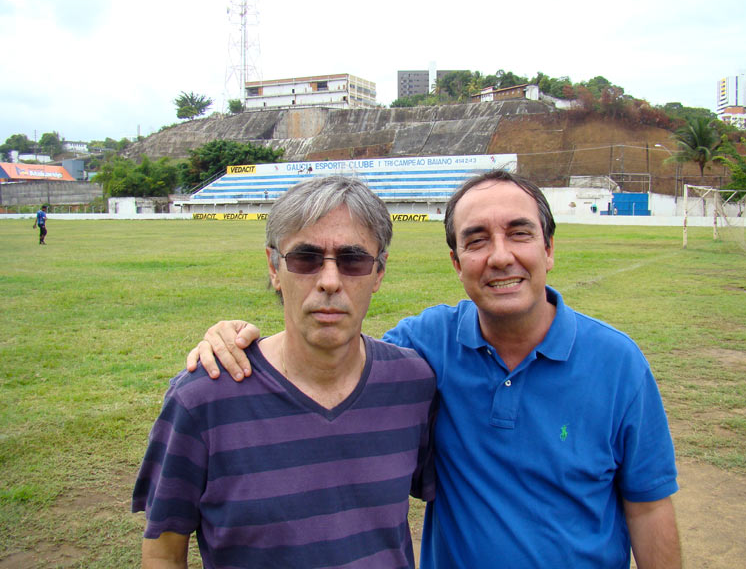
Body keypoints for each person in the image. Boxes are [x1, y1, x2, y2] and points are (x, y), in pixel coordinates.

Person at [189, 170, 681, 568]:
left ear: (549, 249)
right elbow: (338, 357)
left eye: (519, 233)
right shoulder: (425, 347)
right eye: (476, 240)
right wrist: (233, 337)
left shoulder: (618, 363)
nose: (500, 256)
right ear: (456, 260)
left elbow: (649, 506)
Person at [133, 175, 436, 568]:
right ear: (275, 268)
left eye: (353, 260)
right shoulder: (202, 398)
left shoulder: (413, 385)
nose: (329, 281)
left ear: (378, 273)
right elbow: (162, 554)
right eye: (305, 259)